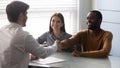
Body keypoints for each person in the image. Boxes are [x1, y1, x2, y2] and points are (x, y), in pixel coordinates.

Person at [0, 1, 58, 68]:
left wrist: (29, 57)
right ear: (21, 16)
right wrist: (56, 46)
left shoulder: (2, 30)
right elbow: (43, 53)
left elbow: (9, 55)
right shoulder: (23, 36)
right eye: (26, 14)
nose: (27, 17)